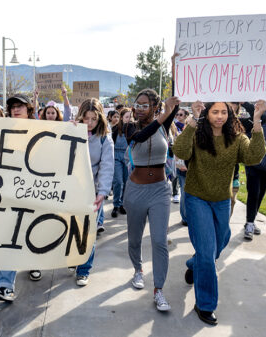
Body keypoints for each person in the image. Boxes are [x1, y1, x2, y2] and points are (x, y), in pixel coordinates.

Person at [174, 97, 266, 324]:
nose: (219, 116)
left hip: (222, 200)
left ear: (230, 114)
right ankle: (205, 304)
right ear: (207, 113)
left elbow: (254, 157)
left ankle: (194, 264)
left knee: (221, 240)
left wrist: (256, 122)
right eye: (215, 112)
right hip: (197, 198)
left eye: (223, 112)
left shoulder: (236, 136)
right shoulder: (196, 132)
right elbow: (181, 151)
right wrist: (193, 120)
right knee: (207, 252)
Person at [122, 88, 179, 312]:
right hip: (135, 190)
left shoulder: (164, 125)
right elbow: (142, 137)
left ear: (155, 107)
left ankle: (159, 290)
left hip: (160, 191)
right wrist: (163, 114)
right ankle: (138, 269)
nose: (139, 108)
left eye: (145, 105)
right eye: (138, 104)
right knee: (134, 238)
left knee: (159, 241)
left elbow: (174, 99)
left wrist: (177, 63)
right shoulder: (129, 127)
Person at [0, 94, 42, 302]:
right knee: (8, 237)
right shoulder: (3, 130)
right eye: (12, 107)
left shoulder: (43, 131)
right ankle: (5, 285)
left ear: (28, 109)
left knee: (31, 232)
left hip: (35, 191)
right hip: (7, 192)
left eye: (20, 106)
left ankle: (36, 262)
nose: (16, 110)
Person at [70, 98, 114, 285]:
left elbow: (107, 166)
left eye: (93, 119)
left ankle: (84, 269)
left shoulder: (105, 137)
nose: (89, 123)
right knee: (71, 229)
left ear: (100, 119)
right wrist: (68, 130)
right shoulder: (71, 130)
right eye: (86, 118)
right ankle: (73, 258)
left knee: (88, 232)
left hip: (93, 191)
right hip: (70, 190)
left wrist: (102, 192)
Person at [243, 102, 266, 240]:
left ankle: (251, 220)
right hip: (254, 165)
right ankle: (250, 224)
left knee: (260, 194)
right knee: (254, 193)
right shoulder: (258, 122)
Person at [110, 107, 132, 217]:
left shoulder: (133, 129)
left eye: (130, 117)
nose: (129, 119)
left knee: (126, 181)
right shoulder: (114, 130)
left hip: (128, 157)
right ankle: (116, 205)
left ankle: (123, 204)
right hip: (116, 157)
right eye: (127, 117)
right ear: (122, 118)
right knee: (118, 181)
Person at [174, 108, 189, 226]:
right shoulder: (180, 137)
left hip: (194, 171)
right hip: (184, 170)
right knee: (184, 193)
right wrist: (180, 165)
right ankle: (185, 217)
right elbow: (177, 154)